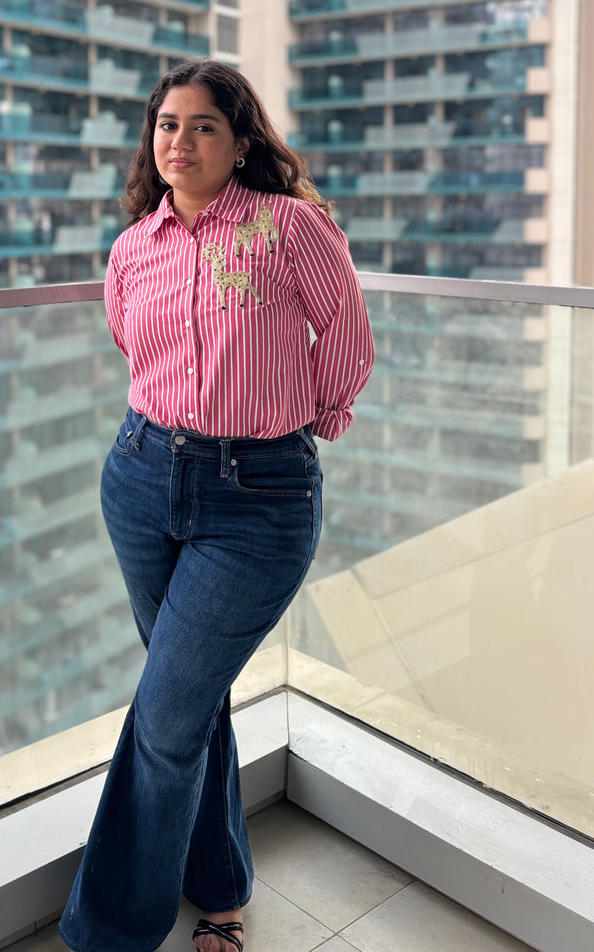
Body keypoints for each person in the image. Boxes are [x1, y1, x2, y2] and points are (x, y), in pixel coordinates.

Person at [58, 59, 374, 952]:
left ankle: (112, 931)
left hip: (259, 500)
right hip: (141, 475)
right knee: (191, 700)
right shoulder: (133, 248)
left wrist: (298, 427)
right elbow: (131, 343)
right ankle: (220, 885)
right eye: (167, 124)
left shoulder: (289, 227)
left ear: (240, 142)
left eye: (202, 126)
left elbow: (346, 336)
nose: (180, 141)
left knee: (164, 717)